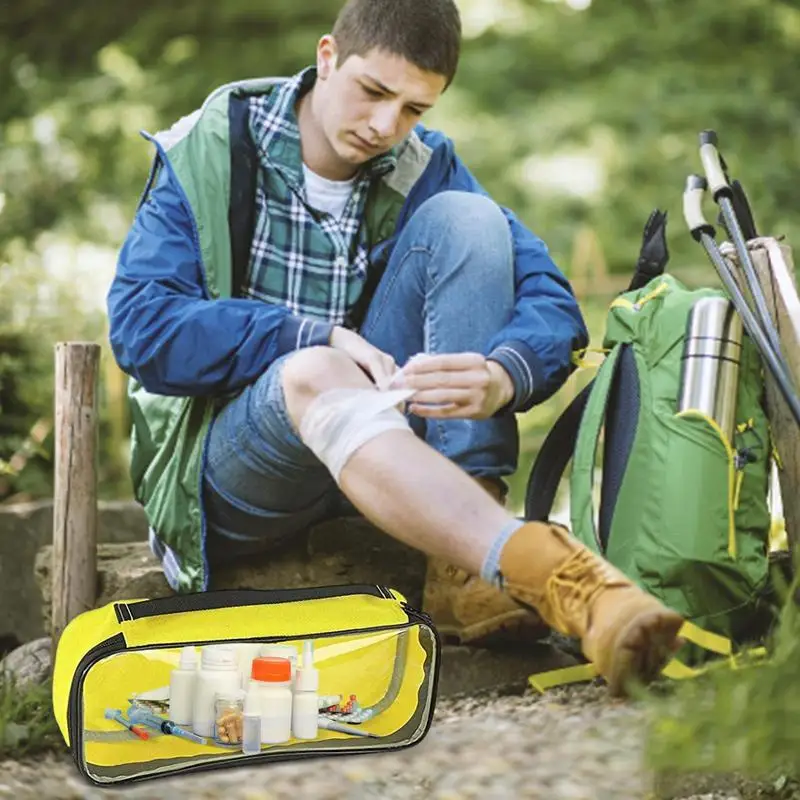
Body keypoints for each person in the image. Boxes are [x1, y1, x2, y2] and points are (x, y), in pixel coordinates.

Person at [107, 0, 682, 695]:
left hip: (383, 455)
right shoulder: (207, 147)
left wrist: (505, 374)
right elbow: (144, 327)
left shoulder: (422, 164)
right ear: (327, 57)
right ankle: (556, 575)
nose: (387, 126)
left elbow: (549, 298)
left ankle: (464, 575)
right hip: (233, 475)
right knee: (318, 368)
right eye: (373, 92)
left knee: (469, 221)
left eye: (414, 109)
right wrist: (306, 336)